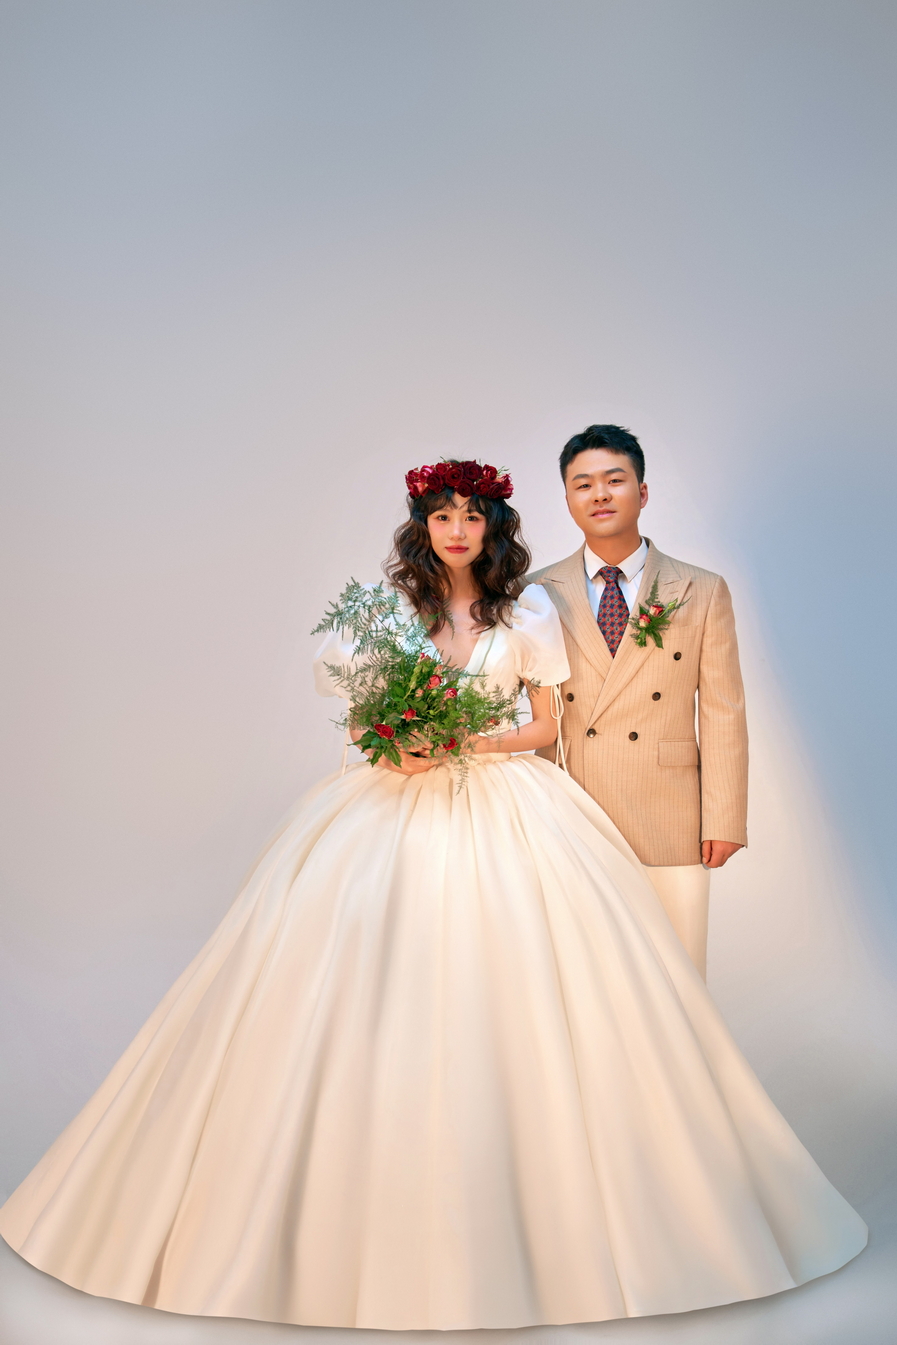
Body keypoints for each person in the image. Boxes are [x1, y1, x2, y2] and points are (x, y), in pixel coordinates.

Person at [0, 461, 866, 1331]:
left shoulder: (525, 613)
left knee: (532, 983)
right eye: (442, 516)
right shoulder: (385, 615)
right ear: (423, 528)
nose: (457, 530)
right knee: (352, 972)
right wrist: (396, 744)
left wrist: (470, 744)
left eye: (471, 516)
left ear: (492, 528)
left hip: (506, 803)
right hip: (391, 804)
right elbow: (360, 721)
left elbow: (544, 724)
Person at [531, 425, 747, 978]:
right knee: (582, 976)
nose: (599, 495)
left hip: (669, 809)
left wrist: (724, 816)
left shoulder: (700, 589)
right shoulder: (534, 593)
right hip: (570, 806)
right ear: (568, 499)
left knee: (674, 973)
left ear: (642, 492)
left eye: (614, 480)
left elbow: (722, 710)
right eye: (583, 484)